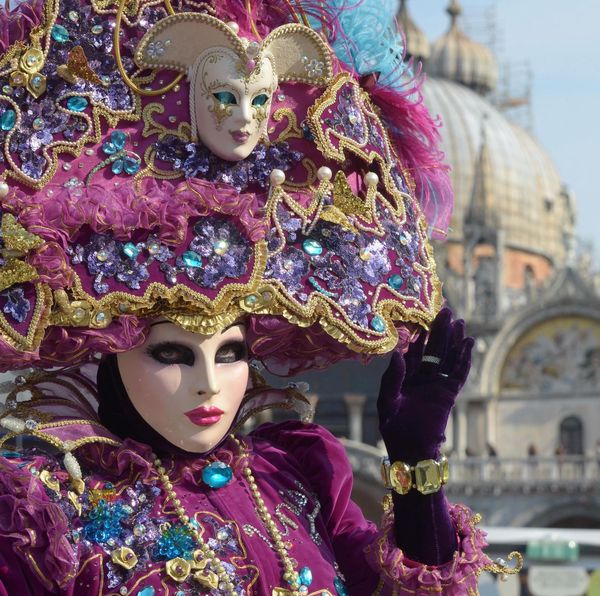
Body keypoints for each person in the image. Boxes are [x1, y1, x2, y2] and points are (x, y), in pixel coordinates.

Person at [0, 0, 520, 593]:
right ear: (111, 352)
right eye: (172, 354)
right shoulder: (43, 511)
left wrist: (417, 464)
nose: (207, 384)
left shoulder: (294, 475)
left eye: (230, 354)